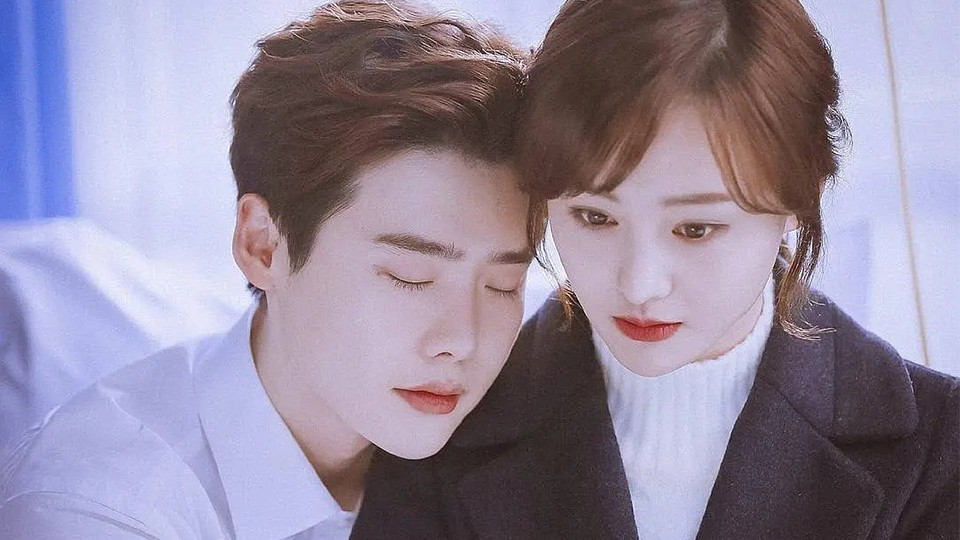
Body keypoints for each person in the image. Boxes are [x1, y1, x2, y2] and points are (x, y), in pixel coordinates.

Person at [353, 1, 959, 538]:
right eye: (594, 217)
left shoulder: (939, 451)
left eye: (695, 229)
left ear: (801, 200)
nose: (639, 284)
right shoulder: (438, 430)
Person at [0, 1, 544, 538]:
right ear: (262, 246)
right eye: (410, 276)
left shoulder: (510, 442)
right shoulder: (97, 510)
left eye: (503, 285)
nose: (463, 341)